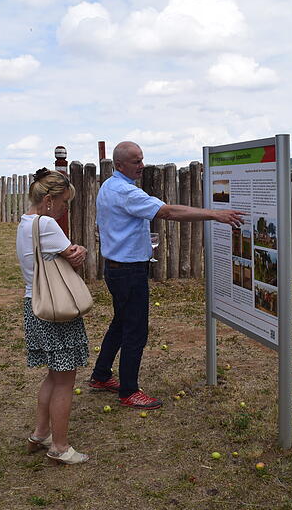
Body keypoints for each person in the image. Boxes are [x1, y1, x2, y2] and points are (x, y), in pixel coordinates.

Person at [89, 141, 246, 409]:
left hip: (115, 268)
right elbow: (168, 211)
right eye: (136, 161)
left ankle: (101, 375)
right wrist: (214, 214)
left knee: (121, 322)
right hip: (128, 271)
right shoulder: (127, 192)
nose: (142, 165)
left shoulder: (109, 186)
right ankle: (128, 391)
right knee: (135, 330)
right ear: (119, 165)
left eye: (142, 159)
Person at [16, 168, 90, 464]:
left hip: (34, 306)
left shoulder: (26, 222)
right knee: (65, 379)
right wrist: (81, 251)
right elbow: (74, 258)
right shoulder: (47, 224)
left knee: (53, 374)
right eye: (63, 203)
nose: (64, 209)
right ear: (48, 200)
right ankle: (59, 447)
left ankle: (41, 432)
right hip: (56, 310)